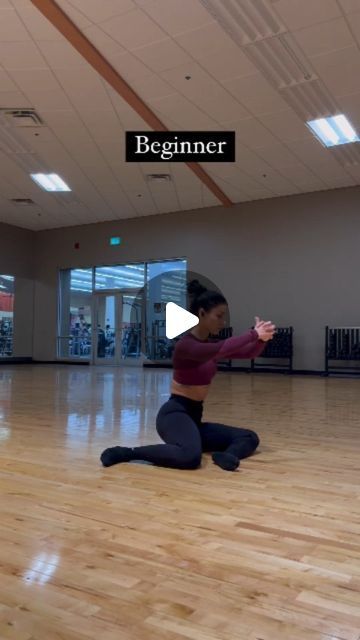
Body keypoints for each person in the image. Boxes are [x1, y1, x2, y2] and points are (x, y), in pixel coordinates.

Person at [100, 280, 276, 472]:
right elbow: (223, 348)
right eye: (218, 316)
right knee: (190, 457)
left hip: (193, 417)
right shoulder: (186, 346)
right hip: (174, 415)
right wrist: (253, 334)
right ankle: (129, 453)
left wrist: (261, 339)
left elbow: (247, 353)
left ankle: (226, 456)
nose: (222, 321)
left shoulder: (208, 345)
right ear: (201, 313)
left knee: (249, 437)